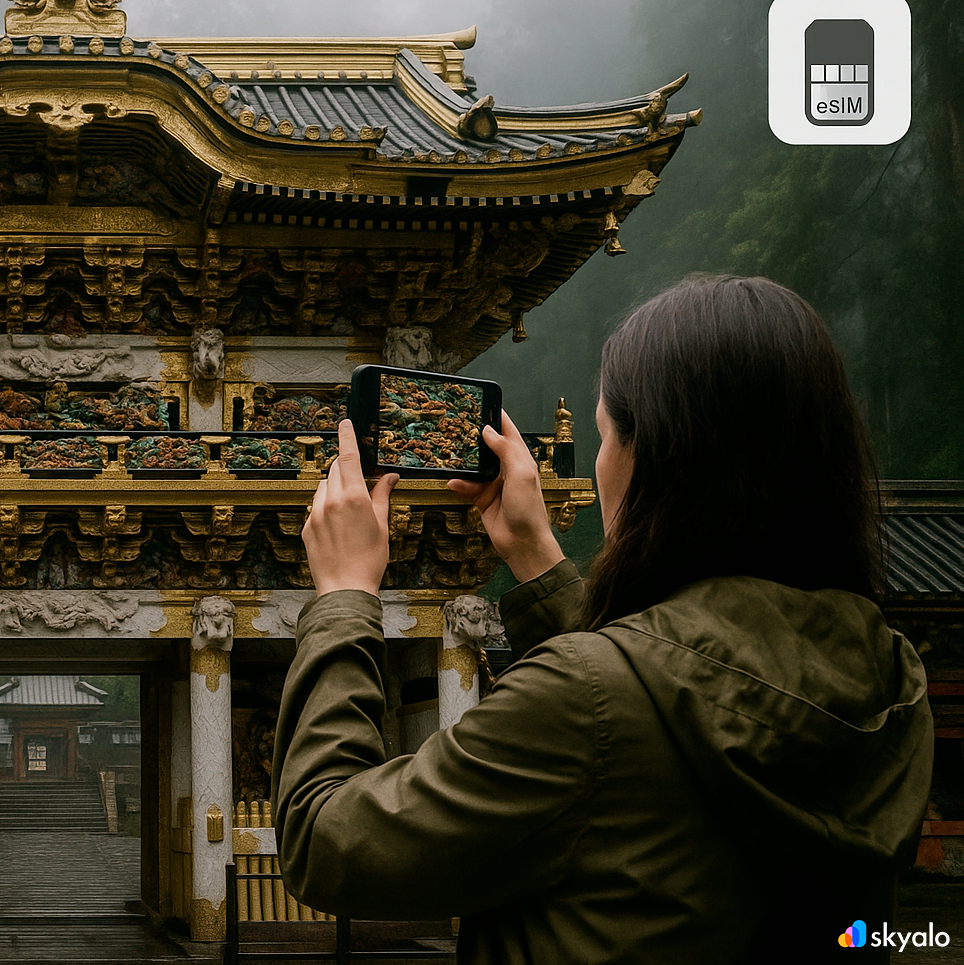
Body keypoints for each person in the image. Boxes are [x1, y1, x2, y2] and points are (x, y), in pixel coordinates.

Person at [272, 275, 932, 964]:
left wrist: (345, 596)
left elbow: (327, 840)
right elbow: (668, 696)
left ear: (655, 453)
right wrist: (537, 558)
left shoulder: (580, 703)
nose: (598, 467)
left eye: (604, 436)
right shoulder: (890, 678)